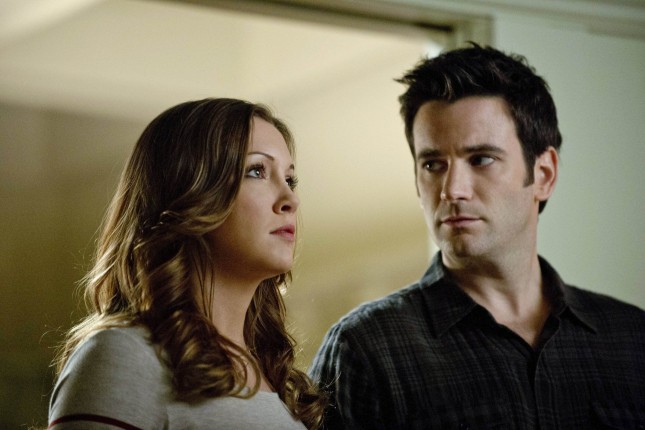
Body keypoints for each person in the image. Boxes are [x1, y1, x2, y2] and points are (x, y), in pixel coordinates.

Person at [309, 44, 645, 429]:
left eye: (481, 159)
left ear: (544, 175)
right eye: (433, 165)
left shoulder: (632, 340)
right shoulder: (365, 349)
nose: (452, 190)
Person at [48, 98, 326, 429]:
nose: (290, 200)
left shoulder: (279, 382)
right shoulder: (125, 357)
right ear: (190, 190)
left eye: (290, 180)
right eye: (257, 171)